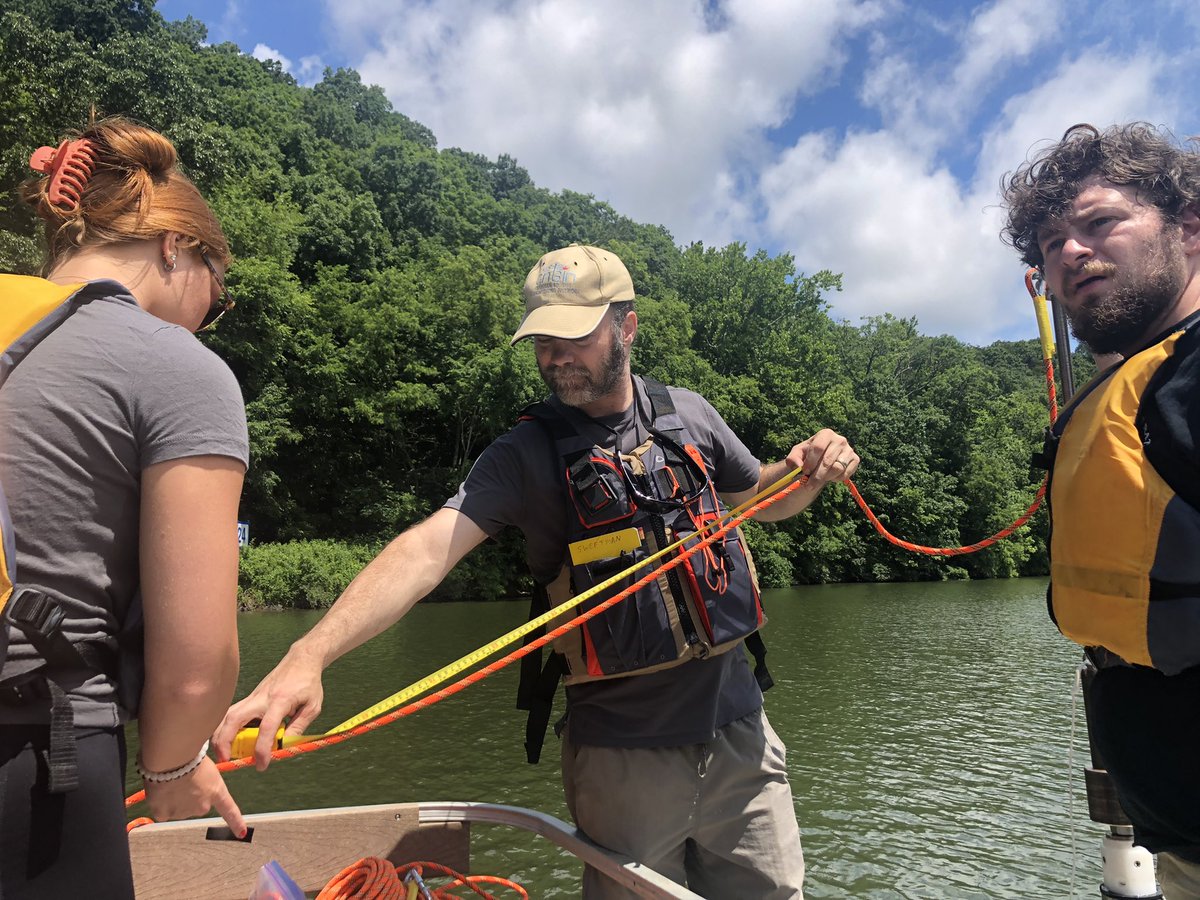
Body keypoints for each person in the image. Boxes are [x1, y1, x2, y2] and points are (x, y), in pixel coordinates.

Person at [214, 243, 860, 898]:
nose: (555, 356)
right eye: (543, 340)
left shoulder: (690, 413)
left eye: (573, 337)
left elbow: (760, 501)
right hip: (623, 763)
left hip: (743, 744)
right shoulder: (523, 454)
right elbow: (424, 551)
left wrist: (807, 466)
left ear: (626, 326)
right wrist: (309, 653)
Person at [0, 117, 249, 898]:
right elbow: (194, 665)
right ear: (177, 248)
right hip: (33, 751)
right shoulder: (178, 367)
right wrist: (173, 766)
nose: (215, 307)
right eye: (219, 283)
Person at [1001, 123, 1200, 898]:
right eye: (1052, 243)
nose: (1071, 252)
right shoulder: (1145, 378)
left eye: (1099, 223)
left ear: (1188, 226)